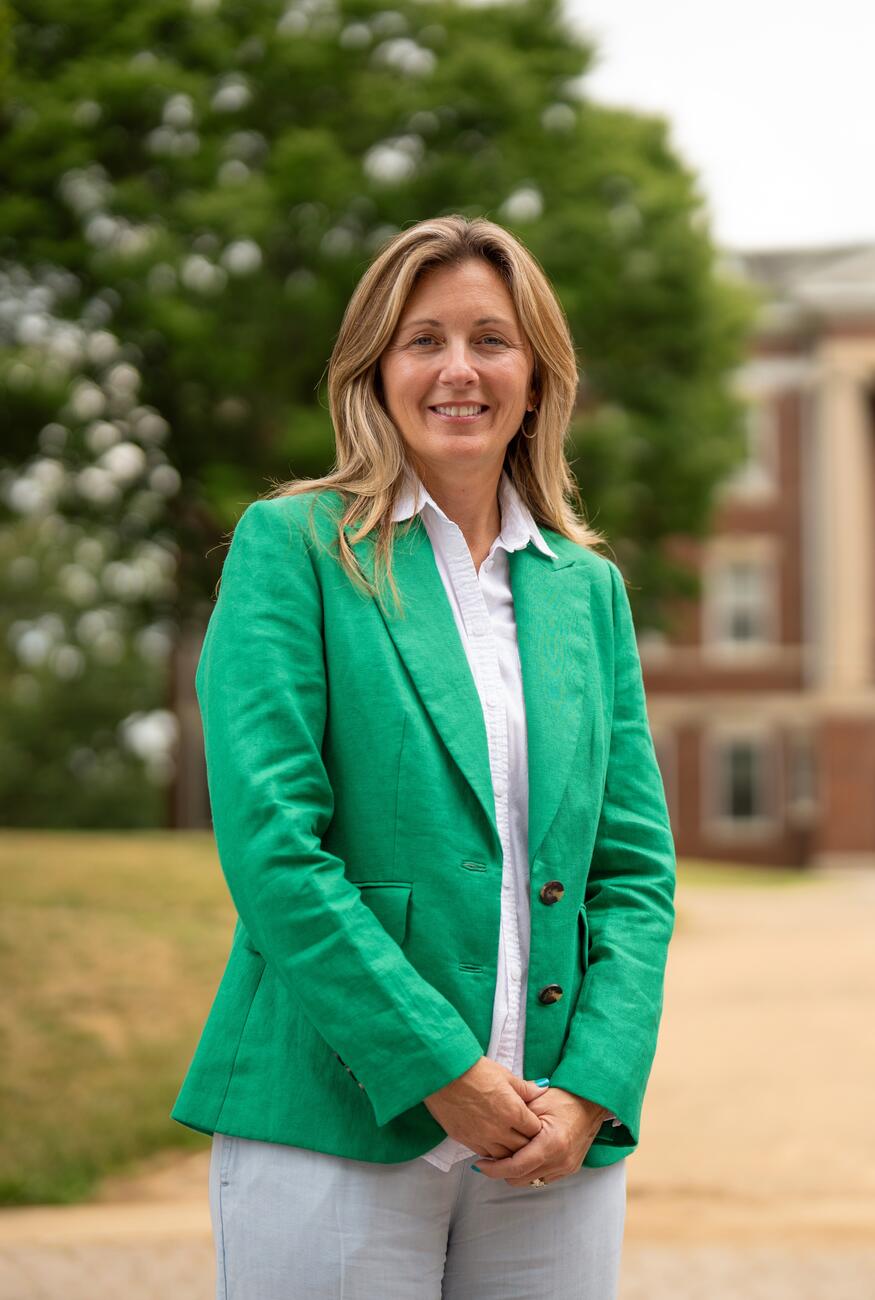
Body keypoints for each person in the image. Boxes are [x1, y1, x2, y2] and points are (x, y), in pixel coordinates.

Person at [171, 214, 676, 1299]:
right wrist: (438, 1070)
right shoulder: (293, 547)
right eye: (422, 340)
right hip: (332, 1115)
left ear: (535, 377)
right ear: (376, 372)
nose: (458, 369)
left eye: (490, 339)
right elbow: (274, 848)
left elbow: (631, 873)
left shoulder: (588, 593)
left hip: (555, 1136)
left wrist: (592, 1084)